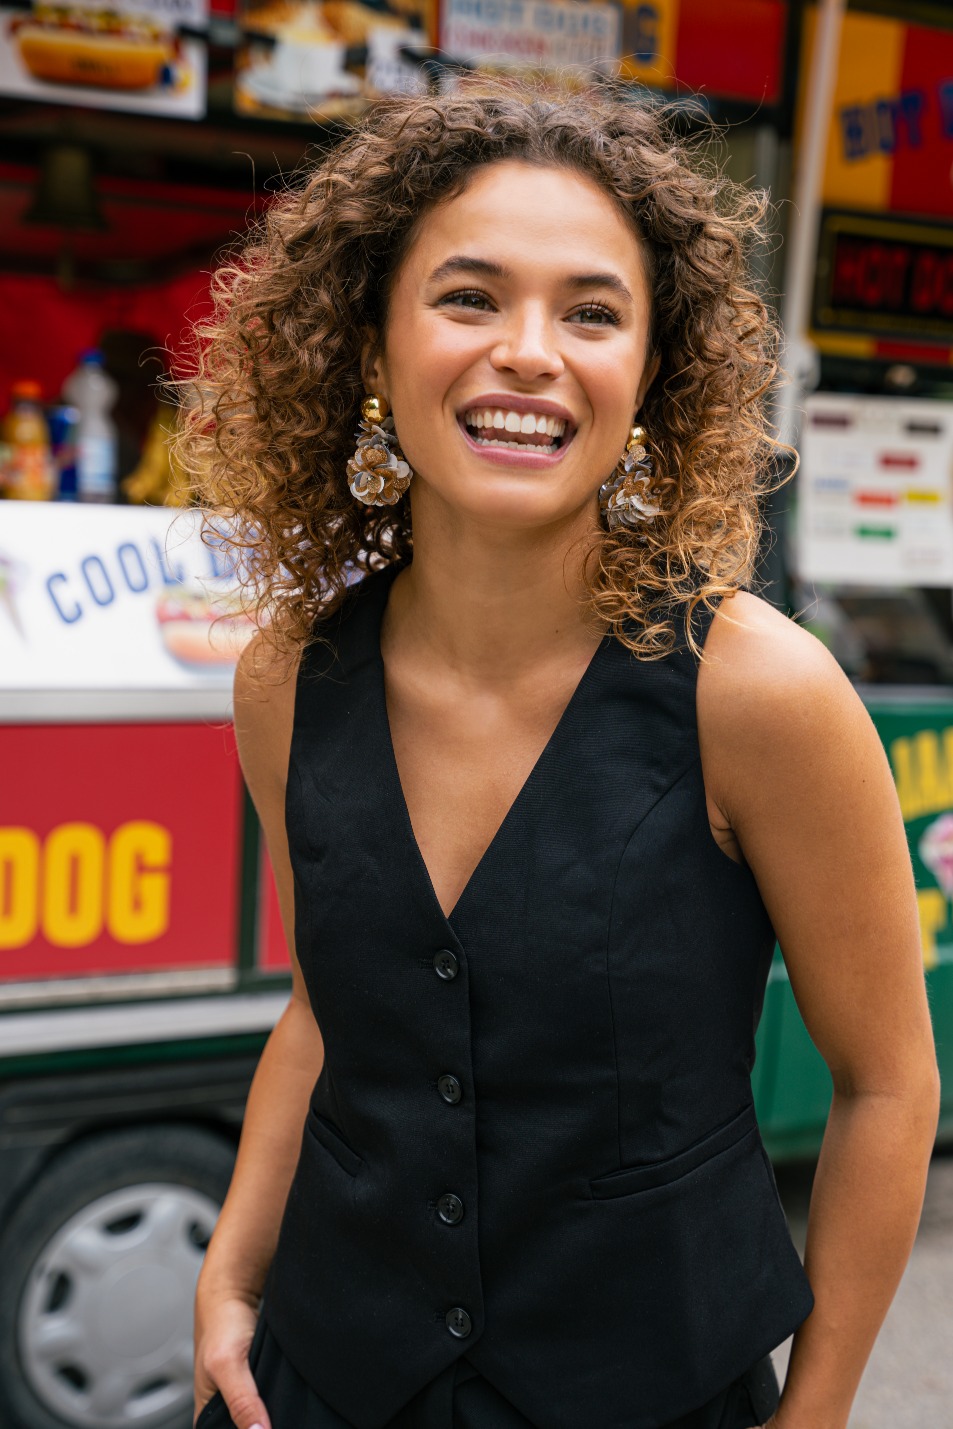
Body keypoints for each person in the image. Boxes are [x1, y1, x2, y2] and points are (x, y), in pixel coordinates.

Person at [183, 80, 940, 1429]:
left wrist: (813, 1415)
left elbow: (886, 1084)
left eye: (591, 312)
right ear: (369, 346)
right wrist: (231, 1272)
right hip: (324, 1380)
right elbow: (324, 1010)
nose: (529, 351)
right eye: (467, 297)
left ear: (650, 371)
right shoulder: (285, 679)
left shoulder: (758, 692)